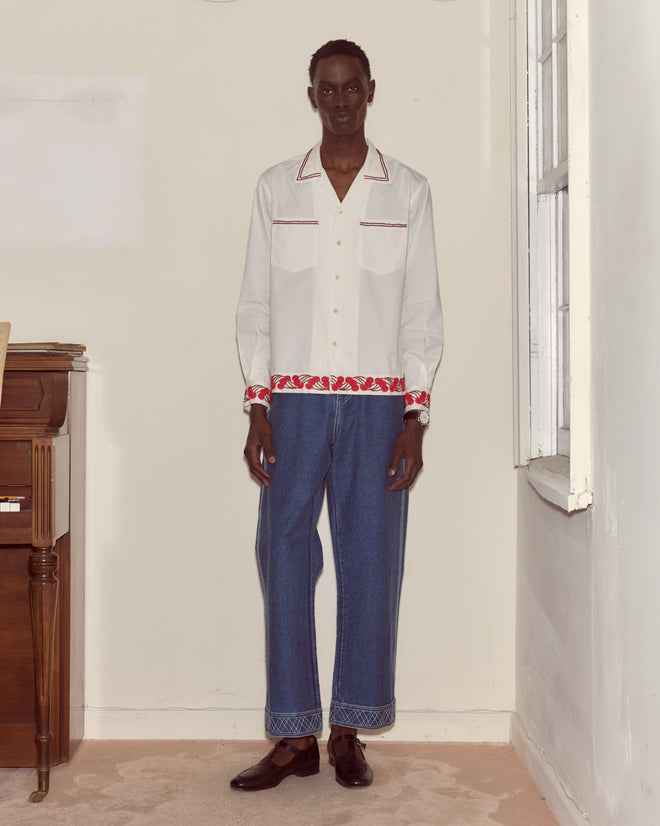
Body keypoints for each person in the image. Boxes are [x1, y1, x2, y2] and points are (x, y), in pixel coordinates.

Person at [232, 38, 443, 792]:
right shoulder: (275, 189)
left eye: (354, 87)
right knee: (283, 553)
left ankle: (350, 727)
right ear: (313, 94)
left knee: (370, 558)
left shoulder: (408, 191)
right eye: (329, 88)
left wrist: (414, 416)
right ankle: (294, 737)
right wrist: (258, 405)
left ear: (372, 92)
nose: (342, 99)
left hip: (379, 404)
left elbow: (422, 312)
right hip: (291, 402)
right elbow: (255, 305)